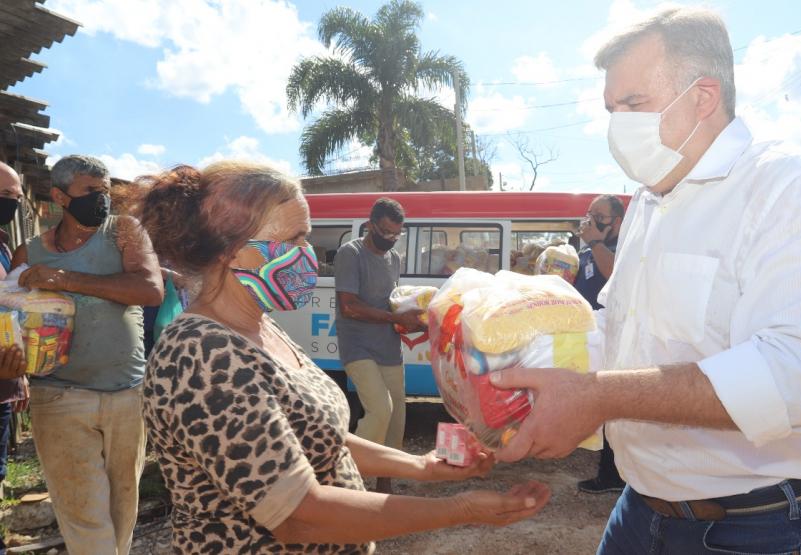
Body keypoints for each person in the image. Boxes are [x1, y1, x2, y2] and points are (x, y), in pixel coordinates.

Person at [492, 7, 801, 554]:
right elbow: (622, 335)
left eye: (632, 105)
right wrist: (507, 358)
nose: (615, 125)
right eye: (610, 108)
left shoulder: (793, 187)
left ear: (703, 97)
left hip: (767, 522)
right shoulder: (650, 201)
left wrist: (596, 396)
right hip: (642, 508)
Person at [139, 162, 550, 554]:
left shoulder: (261, 328)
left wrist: (423, 466)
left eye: (308, 238)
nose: (310, 257)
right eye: (295, 239)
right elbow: (300, 516)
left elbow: (322, 435)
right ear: (232, 252)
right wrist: (462, 509)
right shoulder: (203, 354)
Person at [10, 155, 164, 555]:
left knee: (121, 508)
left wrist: (67, 280)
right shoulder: (28, 255)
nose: (102, 199)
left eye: (105, 191)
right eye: (90, 191)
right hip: (59, 395)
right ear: (60, 196)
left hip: (127, 393)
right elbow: (9, 319)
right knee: (83, 513)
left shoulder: (124, 232)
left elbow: (149, 289)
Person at [334, 197, 423, 493]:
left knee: (398, 415)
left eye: (396, 234)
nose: (390, 239)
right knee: (380, 409)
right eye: (385, 232)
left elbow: (392, 302)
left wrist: (415, 322)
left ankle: (384, 479)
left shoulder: (394, 258)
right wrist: (394, 317)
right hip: (358, 347)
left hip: (389, 346)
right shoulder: (351, 254)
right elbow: (349, 307)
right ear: (370, 225)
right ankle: (345, 469)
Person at [573, 194, 627, 495]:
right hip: (591, 336)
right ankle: (612, 473)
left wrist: (595, 243)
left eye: (600, 216)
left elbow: (616, 275)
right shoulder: (588, 248)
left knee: (612, 405)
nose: (591, 220)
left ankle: (613, 476)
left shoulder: (624, 247)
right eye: (589, 214)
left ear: (616, 222)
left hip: (615, 338)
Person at [0, 162, 28, 555]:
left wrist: (20, 375)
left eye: (15, 198)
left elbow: (9, 311)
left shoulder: (4, 246)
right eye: (3, 195)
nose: (8, 204)